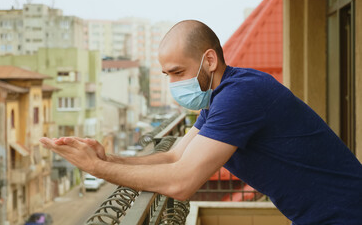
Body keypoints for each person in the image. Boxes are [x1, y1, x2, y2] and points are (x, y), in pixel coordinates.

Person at [40, 20, 362, 224]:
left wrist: (96, 169)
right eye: (167, 75)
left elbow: (181, 183)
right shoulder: (220, 97)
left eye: (179, 72)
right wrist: (108, 157)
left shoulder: (242, 95)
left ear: (209, 59)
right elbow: (175, 156)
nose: (173, 84)